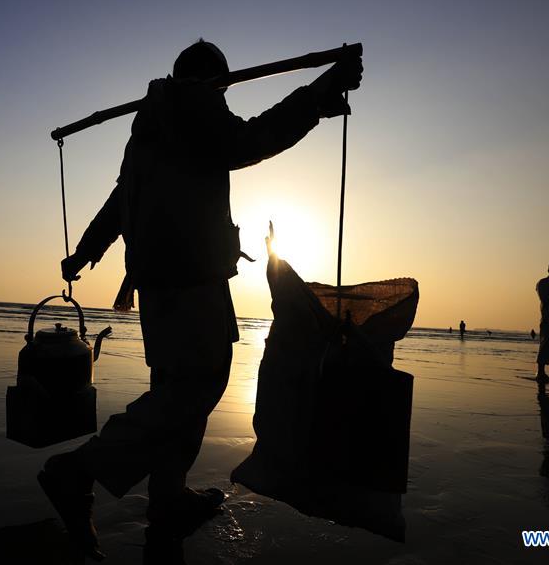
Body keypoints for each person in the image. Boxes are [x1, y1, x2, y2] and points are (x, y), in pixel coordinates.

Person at [38, 39, 363, 560]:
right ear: (214, 81)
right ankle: (78, 471)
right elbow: (246, 141)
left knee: (175, 387)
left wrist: (85, 251)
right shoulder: (194, 105)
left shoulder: (151, 122)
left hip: (158, 282)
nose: (226, 98)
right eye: (224, 88)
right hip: (190, 278)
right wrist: (319, 94)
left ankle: (168, 498)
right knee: (196, 387)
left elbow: (123, 198)